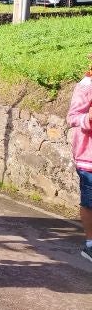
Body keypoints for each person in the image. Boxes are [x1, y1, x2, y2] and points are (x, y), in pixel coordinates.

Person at [64, 59, 92, 263]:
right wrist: (88, 119)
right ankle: (90, 245)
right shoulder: (86, 85)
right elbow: (73, 117)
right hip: (88, 155)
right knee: (90, 202)